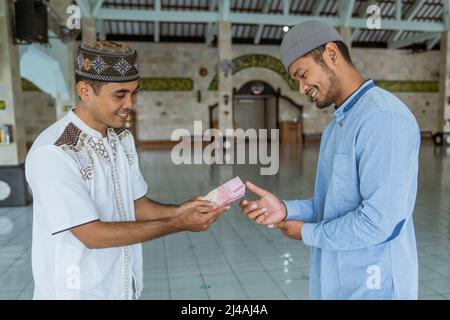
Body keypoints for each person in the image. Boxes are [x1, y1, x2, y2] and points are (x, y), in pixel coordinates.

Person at [25, 41, 228, 300]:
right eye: (120, 95)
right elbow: (91, 235)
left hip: (121, 285)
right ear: (85, 91)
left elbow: (136, 203)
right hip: (77, 291)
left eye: (134, 93)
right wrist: (178, 224)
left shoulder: (121, 138)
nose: (130, 104)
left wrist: (181, 210)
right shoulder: (55, 152)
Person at [240, 20, 421, 299]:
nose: (301, 88)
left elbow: (379, 222)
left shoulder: (383, 118)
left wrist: (306, 233)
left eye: (302, 74)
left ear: (331, 54)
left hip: (375, 286)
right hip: (339, 285)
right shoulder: (338, 125)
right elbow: (335, 205)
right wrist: (286, 210)